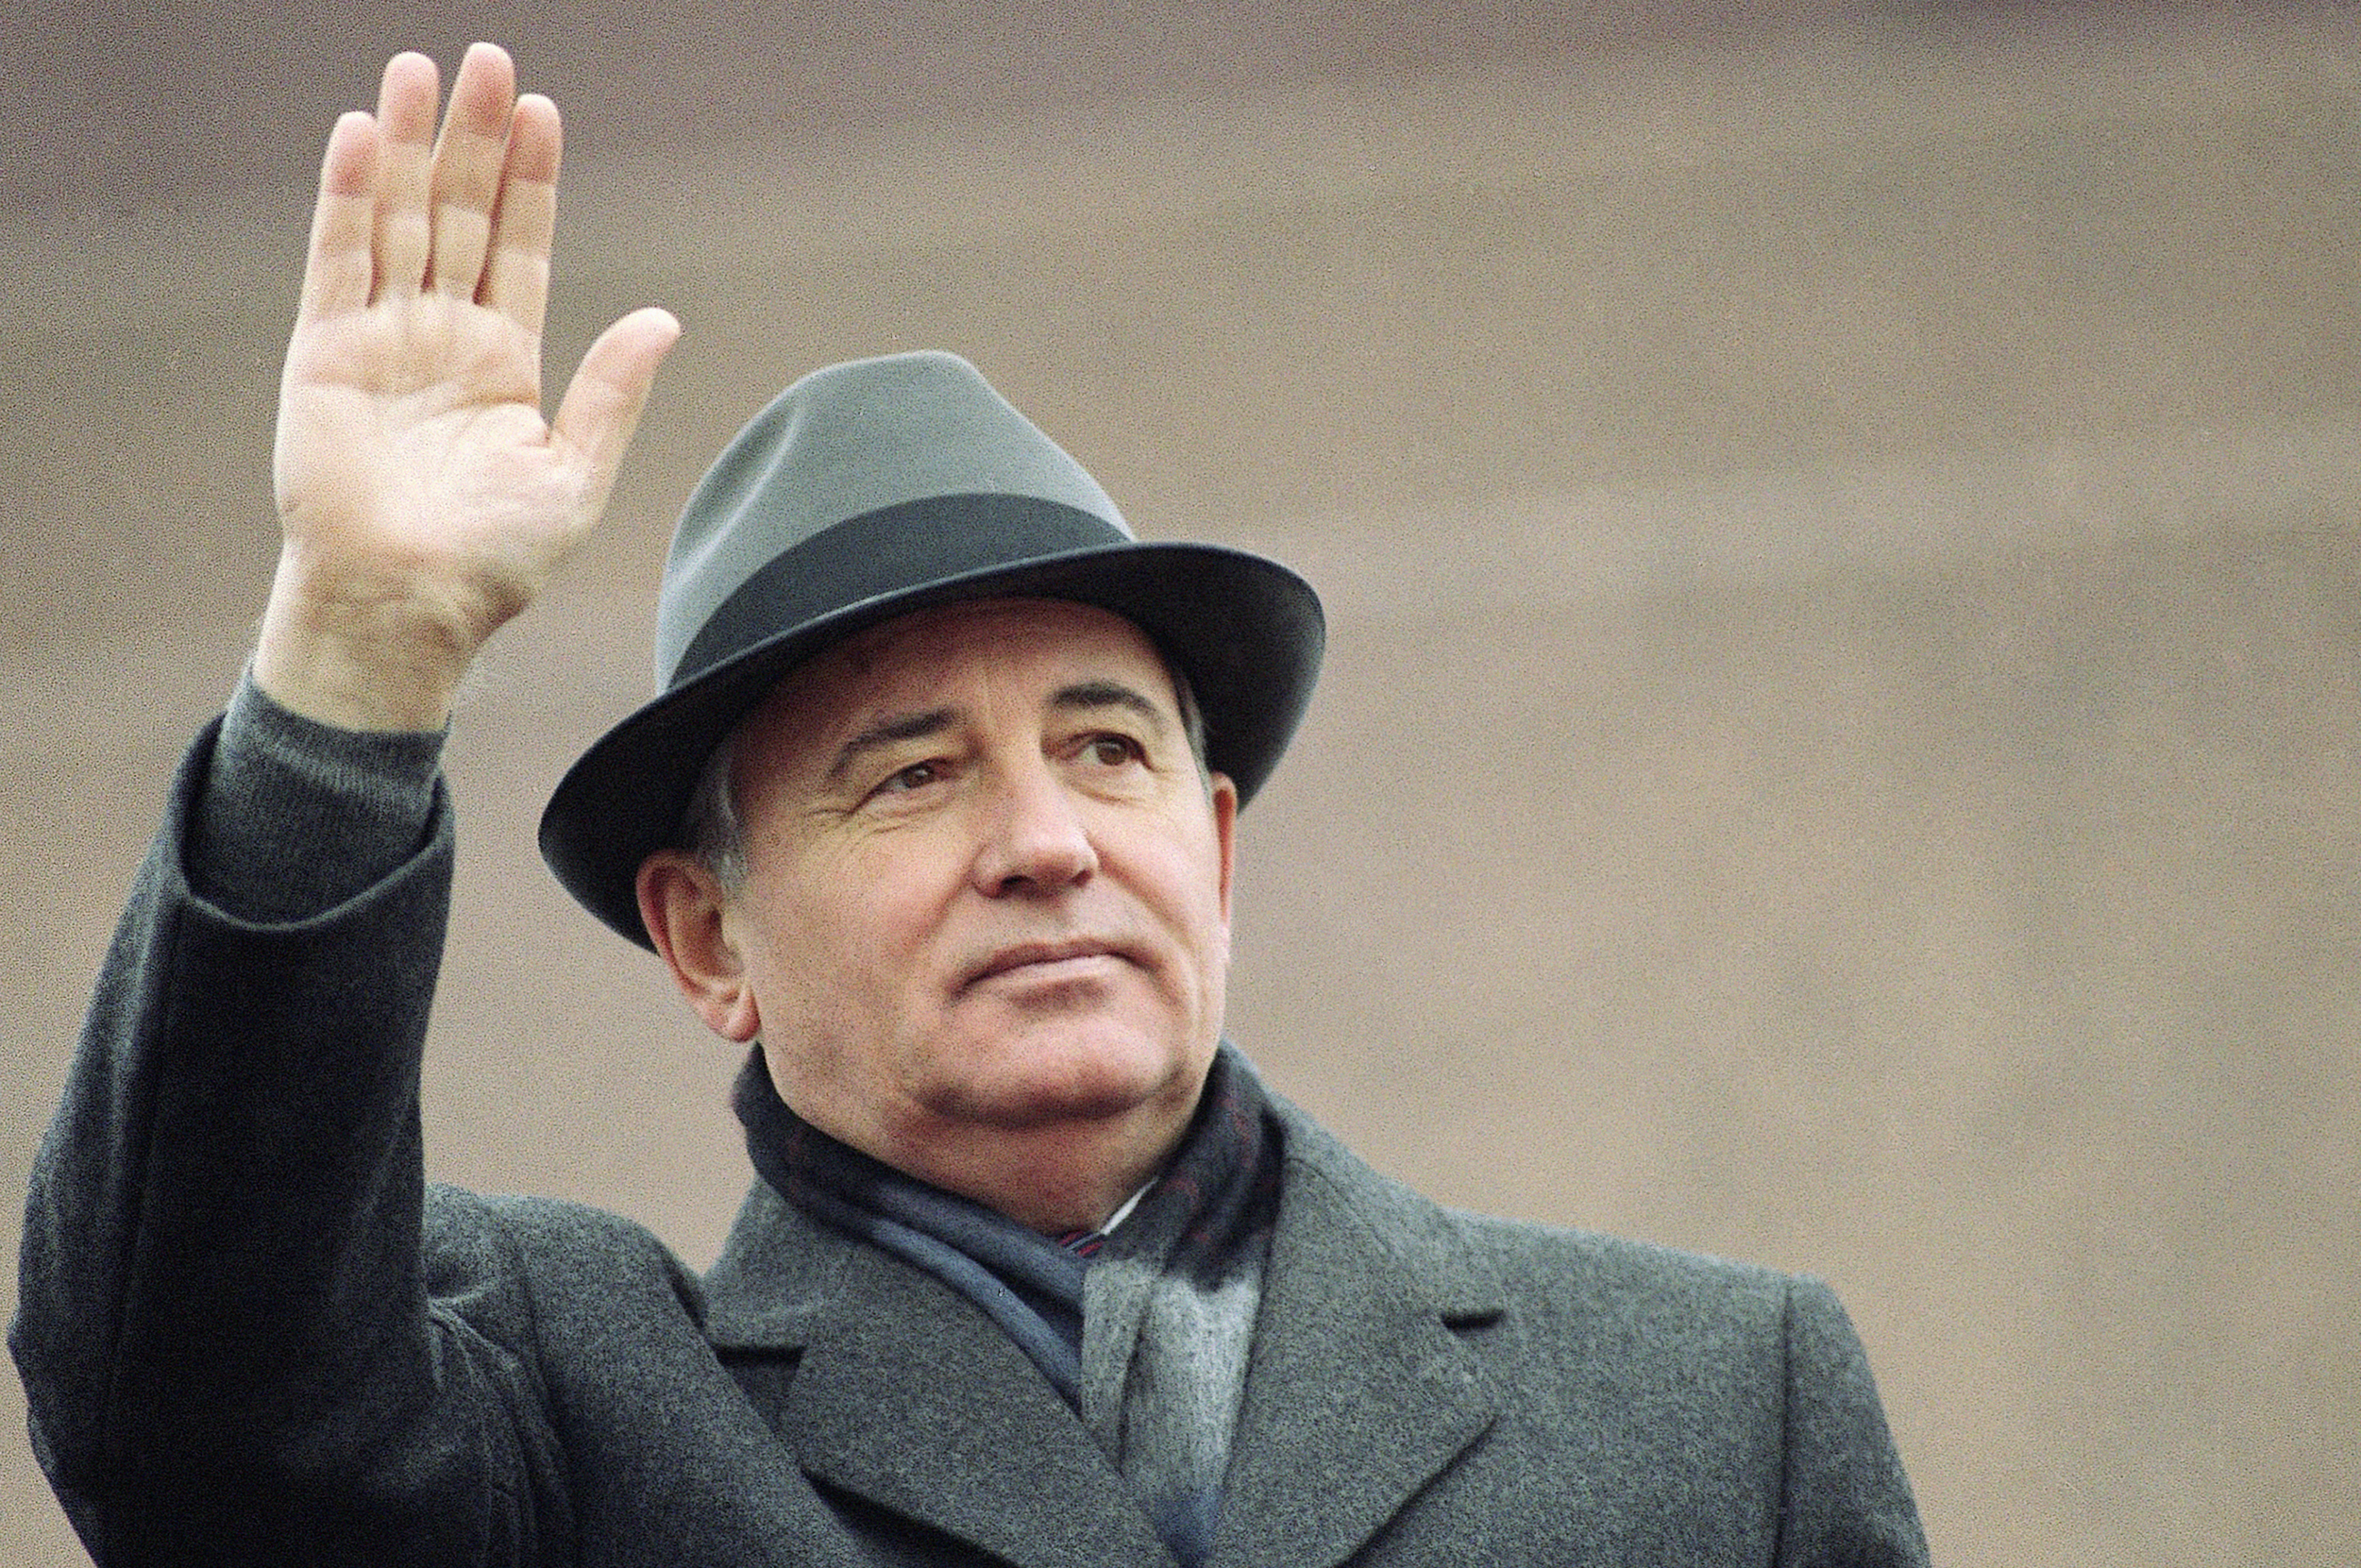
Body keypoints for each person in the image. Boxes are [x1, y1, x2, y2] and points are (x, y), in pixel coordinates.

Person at [12, 43, 1931, 1568]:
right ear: (706, 937)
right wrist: (352, 665)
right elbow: (193, 1422)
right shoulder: (567, 1417)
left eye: (1110, 747)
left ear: (1221, 845)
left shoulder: (1710, 1406)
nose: (1046, 840)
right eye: (912, 776)